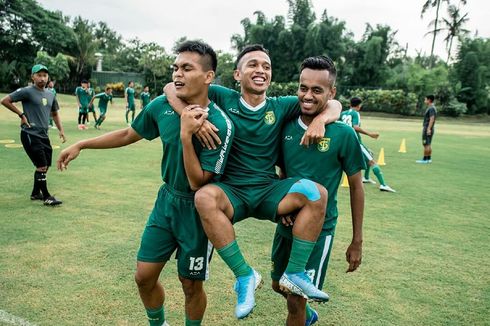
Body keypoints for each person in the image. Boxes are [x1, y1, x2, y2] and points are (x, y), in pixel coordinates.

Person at [57, 40, 234, 326]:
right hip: (166, 202)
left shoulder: (220, 124)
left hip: (200, 210)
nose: (177, 74)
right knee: (144, 277)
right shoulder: (162, 106)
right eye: (175, 68)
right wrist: (83, 144)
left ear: (208, 77)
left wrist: (188, 134)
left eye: (187, 68)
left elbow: (197, 182)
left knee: (190, 285)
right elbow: (129, 133)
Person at [165, 44, 342, 319]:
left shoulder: (282, 106)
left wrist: (321, 121)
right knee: (203, 197)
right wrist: (192, 120)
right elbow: (170, 88)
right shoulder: (223, 97)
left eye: (266, 66)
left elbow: (333, 102)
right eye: (253, 65)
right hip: (233, 190)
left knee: (316, 193)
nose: (260, 70)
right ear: (237, 74)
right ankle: (245, 276)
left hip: (268, 189)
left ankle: (294, 272)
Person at [271, 56, 365, 326]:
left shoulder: (344, 135)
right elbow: (280, 173)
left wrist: (357, 240)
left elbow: (357, 187)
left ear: (331, 93)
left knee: (295, 298)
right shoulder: (285, 127)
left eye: (317, 90)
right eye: (303, 88)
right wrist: (282, 203)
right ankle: (308, 317)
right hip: (287, 225)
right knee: (279, 285)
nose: (308, 95)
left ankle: (302, 312)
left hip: (319, 231)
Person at [1, 64, 66, 206]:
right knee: (42, 166)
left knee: (45, 166)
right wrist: (21, 115)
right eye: (39, 75)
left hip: (44, 135)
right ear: (33, 77)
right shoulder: (27, 91)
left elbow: (54, 113)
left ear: (48, 77)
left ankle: (36, 193)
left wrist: (61, 130)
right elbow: (5, 100)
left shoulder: (50, 94)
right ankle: (47, 197)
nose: (42, 78)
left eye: (44, 75)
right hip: (30, 133)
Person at [340, 97, 396, 193]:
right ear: (359, 106)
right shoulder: (355, 113)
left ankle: (366, 177)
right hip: (355, 142)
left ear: (350, 104)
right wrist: (370, 134)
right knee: (372, 161)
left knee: (370, 153)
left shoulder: (343, 113)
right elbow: (355, 127)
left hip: (344, 142)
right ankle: (383, 185)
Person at [416, 95, 437, 164]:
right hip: (429, 128)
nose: (425, 101)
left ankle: (425, 159)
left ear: (429, 100)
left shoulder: (431, 108)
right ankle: (428, 159)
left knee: (425, 144)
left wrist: (428, 129)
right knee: (428, 144)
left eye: (425, 99)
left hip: (427, 128)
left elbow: (432, 119)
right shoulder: (432, 108)